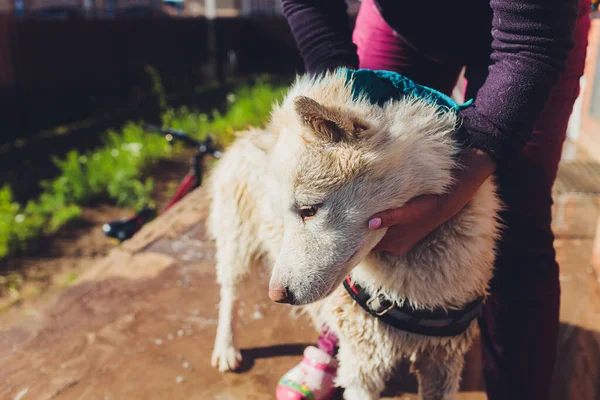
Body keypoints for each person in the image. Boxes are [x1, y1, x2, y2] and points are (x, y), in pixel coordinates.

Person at [275, 0, 592, 399]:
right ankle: (342, 344)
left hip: (530, 34)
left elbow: (531, 41)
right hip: (405, 19)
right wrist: (339, 93)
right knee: (363, 196)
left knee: (518, 226)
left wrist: (455, 191)